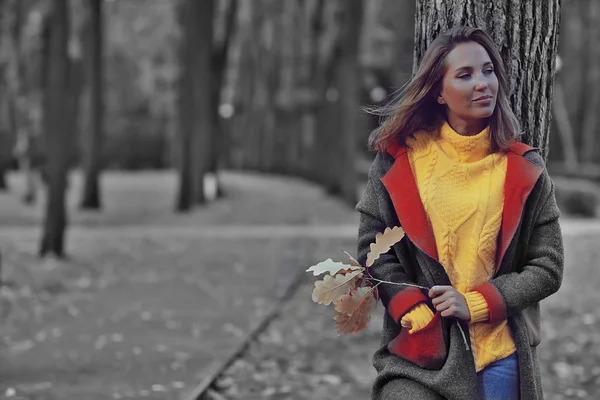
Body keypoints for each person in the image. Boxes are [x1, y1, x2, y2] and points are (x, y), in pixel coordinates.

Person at [355, 26, 564, 400]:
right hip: (422, 354)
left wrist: (478, 302)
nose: (482, 83)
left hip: (499, 348)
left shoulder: (525, 168)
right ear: (438, 91)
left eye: (488, 71)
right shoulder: (399, 160)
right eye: (465, 75)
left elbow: (547, 266)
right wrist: (407, 302)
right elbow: (374, 248)